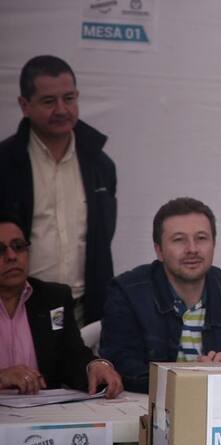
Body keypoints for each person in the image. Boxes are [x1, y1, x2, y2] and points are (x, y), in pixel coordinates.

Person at [99, 197, 221, 393]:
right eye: (179, 240)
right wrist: (193, 378)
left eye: (201, 238)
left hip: (220, 403)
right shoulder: (127, 293)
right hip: (145, 404)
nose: (192, 249)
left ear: (214, 244)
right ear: (159, 250)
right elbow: (120, 366)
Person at [0, 55, 117, 326]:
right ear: (24, 105)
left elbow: (102, 237)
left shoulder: (101, 165)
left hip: (83, 310)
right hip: (17, 309)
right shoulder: (5, 164)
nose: (62, 110)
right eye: (49, 101)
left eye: (69, 98)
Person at [0, 213, 123, 397]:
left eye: (18, 246)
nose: (11, 256)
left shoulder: (53, 299)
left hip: (43, 409)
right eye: (0, 250)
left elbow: (72, 356)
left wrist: (95, 366)